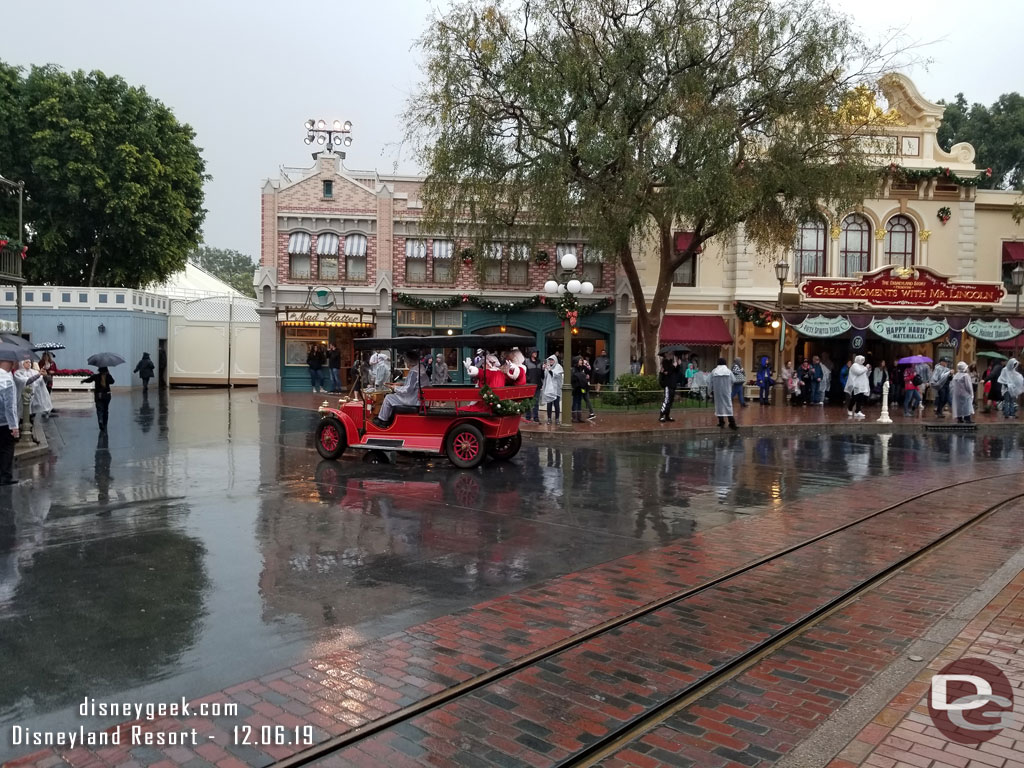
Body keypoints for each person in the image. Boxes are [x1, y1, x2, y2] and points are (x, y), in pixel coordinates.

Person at [374, 350, 426, 428]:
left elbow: (407, 390)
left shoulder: (414, 372)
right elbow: (412, 385)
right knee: (393, 396)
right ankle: (389, 418)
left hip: (413, 399)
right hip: (417, 397)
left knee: (388, 397)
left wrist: (395, 388)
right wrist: (400, 384)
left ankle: (383, 420)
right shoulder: (420, 368)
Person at [0, 359, 19, 485]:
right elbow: (9, 405)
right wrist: (14, 426)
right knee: (7, 448)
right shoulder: (6, 380)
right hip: (4, 421)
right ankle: (5, 476)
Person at [81, 367, 115, 431]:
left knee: (99, 410)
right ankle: (105, 424)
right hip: (106, 396)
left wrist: (83, 381)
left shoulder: (96, 376)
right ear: (106, 370)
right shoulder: (108, 376)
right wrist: (109, 374)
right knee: (105, 410)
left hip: (98, 396)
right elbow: (112, 382)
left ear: (99, 370)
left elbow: (89, 380)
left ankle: (100, 420)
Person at [711, 357, 737, 429]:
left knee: (719, 406)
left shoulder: (714, 371)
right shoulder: (728, 371)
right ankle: (732, 423)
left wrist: (710, 389)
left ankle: (721, 422)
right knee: (728, 405)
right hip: (726, 391)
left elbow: (708, 381)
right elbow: (734, 380)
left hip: (717, 392)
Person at [844, 355, 870, 419]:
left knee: (860, 399)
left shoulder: (862, 366)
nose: (862, 361)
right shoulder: (854, 366)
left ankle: (858, 411)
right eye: (861, 360)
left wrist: (868, 370)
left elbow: (865, 374)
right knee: (854, 398)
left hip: (862, 386)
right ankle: (849, 408)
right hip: (856, 385)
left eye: (863, 360)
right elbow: (858, 372)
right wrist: (866, 368)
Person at [540, 354, 563, 425]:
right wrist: (543, 369)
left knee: (556, 404)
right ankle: (549, 418)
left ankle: (557, 419)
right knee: (549, 404)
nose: (551, 361)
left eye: (552, 360)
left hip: (556, 389)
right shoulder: (547, 367)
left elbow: (555, 375)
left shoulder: (558, 367)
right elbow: (544, 377)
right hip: (548, 390)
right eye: (550, 360)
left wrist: (549, 370)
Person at [658, 354, 680, 423]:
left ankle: (667, 415)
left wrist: (678, 365)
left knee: (670, 401)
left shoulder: (671, 362)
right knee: (666, 400)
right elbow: (668, 372)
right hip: (667, 384)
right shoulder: (665, 362)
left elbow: (676, 371)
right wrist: (674, 366)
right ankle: (661, 415)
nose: (671, 355)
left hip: (673, 384)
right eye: (670, 354)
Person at [525, 350, 543, 422]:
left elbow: (542, 375)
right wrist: (528, 380)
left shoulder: (539, 362)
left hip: (538, 384)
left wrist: (543, 370)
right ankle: (528, 416)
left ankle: (536, 416)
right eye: (534, 352)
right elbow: (525, 373)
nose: (535, 353)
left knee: (536, 401)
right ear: (531, 353)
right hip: (529, 384)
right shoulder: (526, 362)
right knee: (528, 400)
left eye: (536, 352)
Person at [571, 357, 590, 423]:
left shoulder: (582, 369)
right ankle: (574, 417)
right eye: (580, 360)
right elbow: (574, 378)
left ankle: (579, 416)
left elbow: (587, 372)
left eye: (581, 360)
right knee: (575, 401)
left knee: (579, 401)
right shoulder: (574, 369)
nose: (581, 361)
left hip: (581, 388)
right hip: (576, 388)